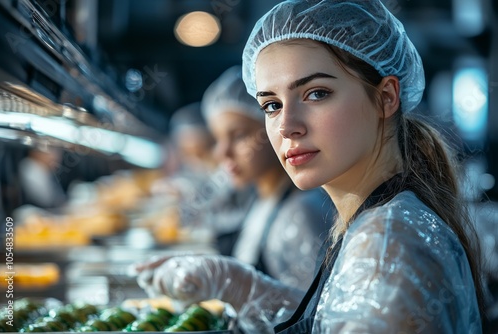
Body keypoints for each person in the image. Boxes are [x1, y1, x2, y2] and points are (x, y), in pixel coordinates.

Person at [133, 1, 484, 333]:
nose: (286, 126)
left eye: (316, 93)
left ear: (386, 97)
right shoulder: (379, 220)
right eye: (271, 105)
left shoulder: (384, 246)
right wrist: (244, 288)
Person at [199, 66, 332, 289]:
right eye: (217, 138)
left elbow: (310, 314)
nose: (222, 153)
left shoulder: (301, 212)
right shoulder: (262, 196)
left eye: (239, 135)